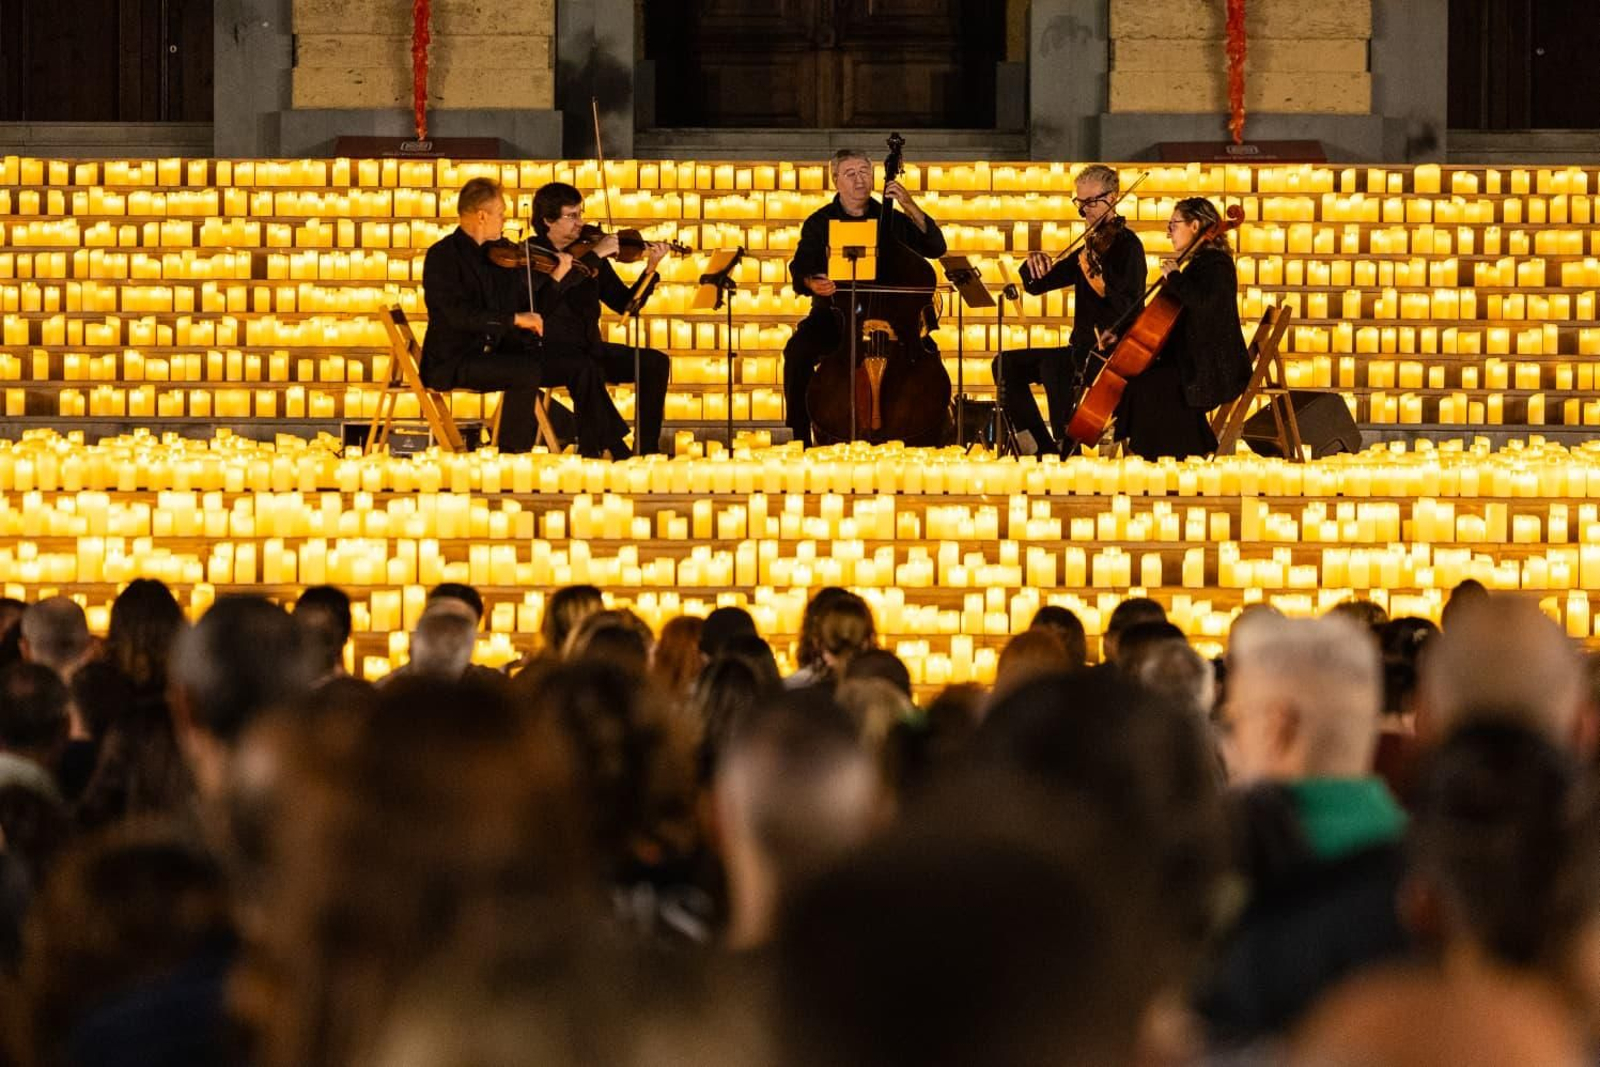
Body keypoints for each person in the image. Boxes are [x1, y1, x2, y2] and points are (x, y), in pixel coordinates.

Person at [420, 177, 629, 457]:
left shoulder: (498, 255)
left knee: (580, 365)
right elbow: (457, 316)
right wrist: (514, 320)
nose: (505, 220)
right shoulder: (443, 256)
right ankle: (512, 453)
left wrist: (555, 278)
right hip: (454, 359)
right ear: (482, 216)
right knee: (525, 371)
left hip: (496, 352)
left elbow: (530, 306)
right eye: (501, 214)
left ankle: (600, 451)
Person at [782, 149, 948, 447]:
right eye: (851, 174)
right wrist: (812, 282)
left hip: (895, 321)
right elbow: (800, 266)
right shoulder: (819, 223)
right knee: (797, 351)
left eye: (865, 172)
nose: (860, 180)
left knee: (926, 355)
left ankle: (925, 433)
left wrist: (909, 204)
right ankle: (798, 435)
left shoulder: (893, 220)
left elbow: (935, 246)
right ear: (835, 180)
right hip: (835, 316)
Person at [1001, 164, 1146, 456]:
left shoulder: (1128, 247)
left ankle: (1067, 448)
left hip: (1110, 354)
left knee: (1055, 367)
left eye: (1092, 202)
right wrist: (1033, 264)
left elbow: (1128, 305)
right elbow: (1037, 285)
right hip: (1080, 348)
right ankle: (1044, 447)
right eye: (1080, 203)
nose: (1085, 211)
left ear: (1113, 198)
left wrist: (1098, 278)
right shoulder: (1089, 247)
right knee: (1005, 365)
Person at [525, 181, 672, 455]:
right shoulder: (530, 255)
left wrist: (650, 270)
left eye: (581, 214)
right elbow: (545, 301)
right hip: (549, 354)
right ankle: (611, 449)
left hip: (589, 348)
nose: (580, 223)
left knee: (655, 363)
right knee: (585, 368)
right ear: (547, 220)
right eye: (572, 216)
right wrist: (594, 256)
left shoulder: (592, 253)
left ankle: (647, 449)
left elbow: (625, 305)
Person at [1112, 196, 1251, 460]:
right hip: (1195, 362)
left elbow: (1203, 304)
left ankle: (1167, 454)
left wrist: (1174, 277)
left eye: (1173, 225)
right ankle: (1169, 453)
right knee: (1142, 382)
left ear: (1195, 225)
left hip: (1211, 370)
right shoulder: (1199, 265)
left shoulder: (1217, 265)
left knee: (1145, 386)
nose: (1168, 233)